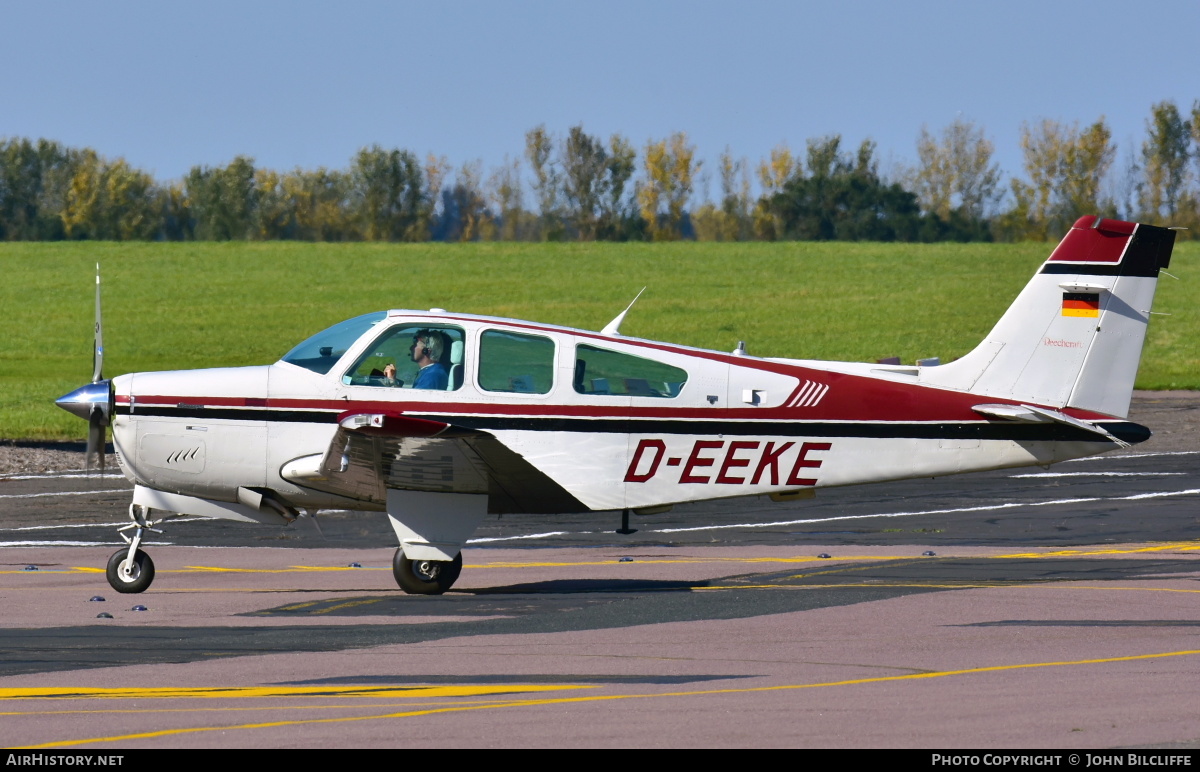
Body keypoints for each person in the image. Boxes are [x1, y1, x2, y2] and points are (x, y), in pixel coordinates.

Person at [384, 329, 449, 390]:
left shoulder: (432, 375)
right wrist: (394, 381)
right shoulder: (431, 371)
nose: (411, 348)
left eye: (415, 345)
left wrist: (391, 381)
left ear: (426, 350)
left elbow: (412, 401)